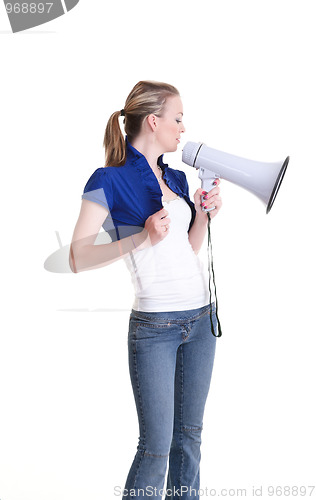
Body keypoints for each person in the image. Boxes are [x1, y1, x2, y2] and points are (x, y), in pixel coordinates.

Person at [69, 80, 222, 499]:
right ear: (153, 121)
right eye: (177, 118)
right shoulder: (109, 179)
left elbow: (188, 250)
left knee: (189, 440)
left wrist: (204, 215)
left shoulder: (174, 177)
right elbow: (77, 257)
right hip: (156, 328)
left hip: (201, 320)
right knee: (155, 450)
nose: (183, 127)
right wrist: (141, 238)